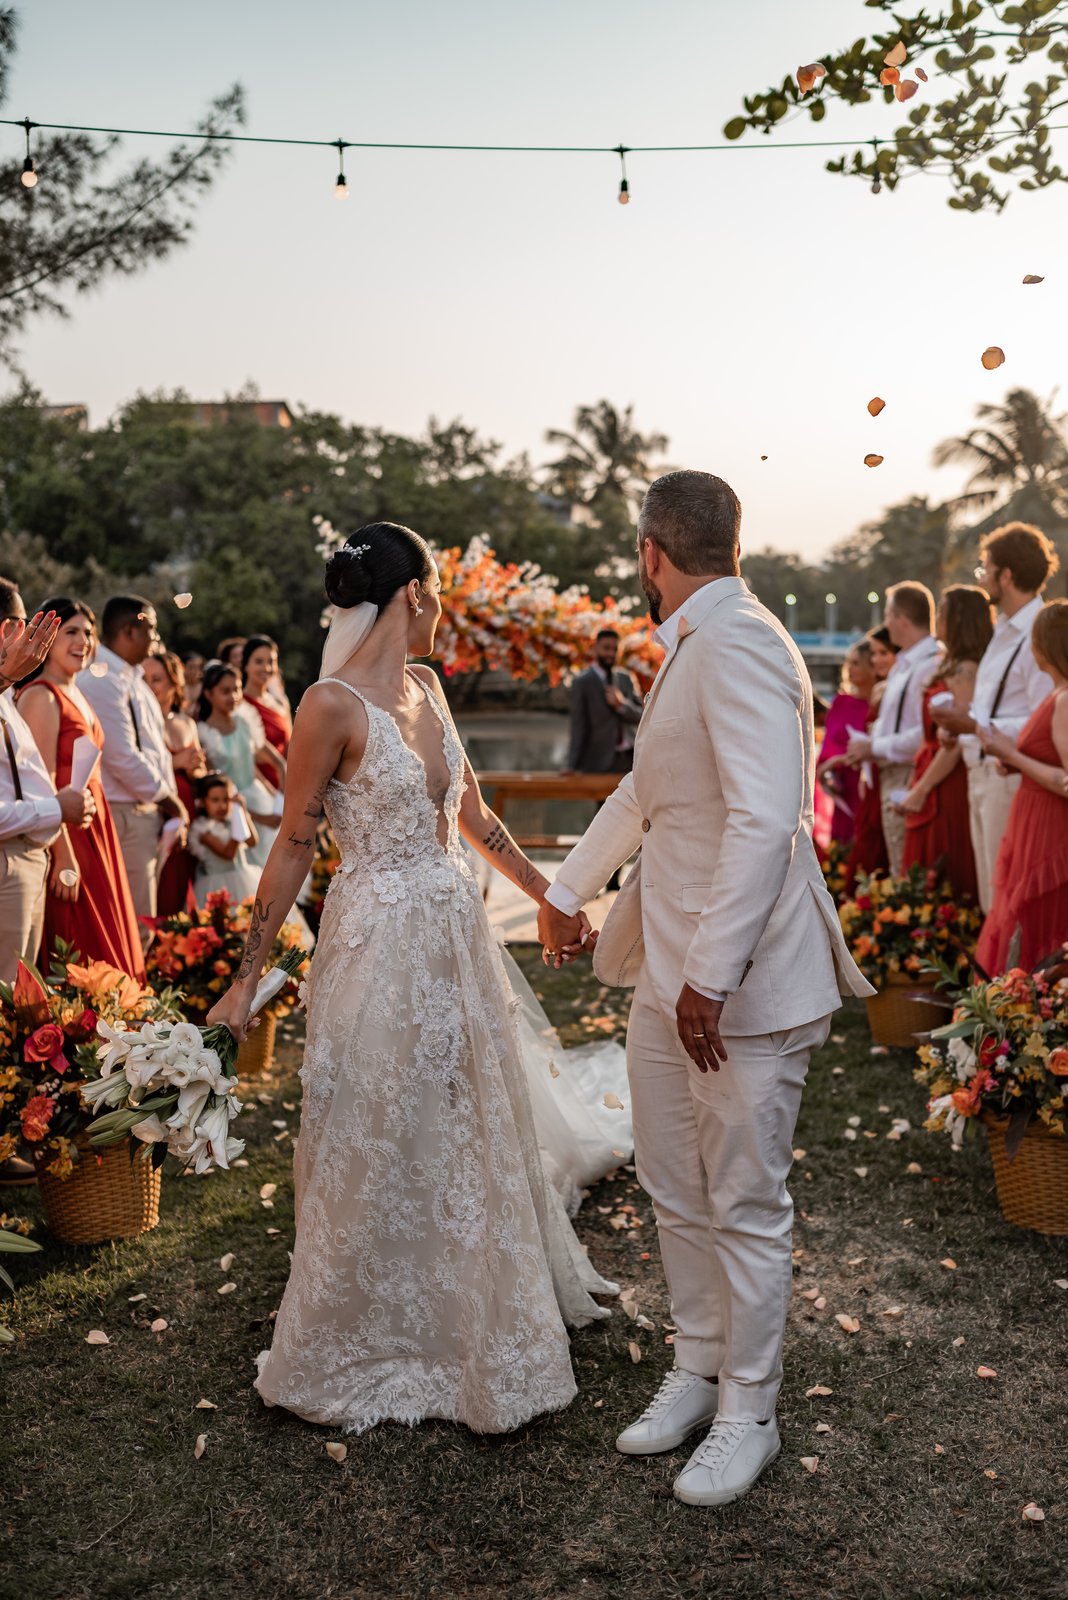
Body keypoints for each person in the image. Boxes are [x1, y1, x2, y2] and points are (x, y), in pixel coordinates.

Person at [206, 521, 617, 1435]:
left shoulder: (429, 688)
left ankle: (468, 1309)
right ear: (415, 594)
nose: (442, 613)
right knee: (375, 1116)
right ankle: (369, 1321)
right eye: (438, 596)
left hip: (455, 938)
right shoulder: (329, 706)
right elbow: (293, 846)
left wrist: (550, 896)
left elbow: (473, 814)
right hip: (375, 944)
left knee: (463, 1114)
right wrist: (245, 979)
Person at [539, 470, 871, 1509]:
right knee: (674, 1184)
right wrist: (564, 889)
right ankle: (697, 1366)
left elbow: (768, 820)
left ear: (651, 552)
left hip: (742, 988)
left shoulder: (740, 642)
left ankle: (750, 1411)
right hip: (668, 974)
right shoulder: (694, 637)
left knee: (744, 1201)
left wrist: (711, 978)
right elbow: (648, 790)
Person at [930, 523, 1058, 912]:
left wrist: (973, 726)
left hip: (1011, 778)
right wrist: (961, 729)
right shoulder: (1003, 628)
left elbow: (1046, 718)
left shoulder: (1039, 631)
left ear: (1006, 575)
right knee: (991, 898)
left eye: (985, 567)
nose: (981, 576)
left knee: (1008, 897)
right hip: (982, 772)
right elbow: (993, 708)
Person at [17, 598, 146, 981]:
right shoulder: (41, 696)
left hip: (96, 828)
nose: (82, 641)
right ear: (47, 639)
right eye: (70, 632)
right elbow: (41, 784)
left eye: (88, 633)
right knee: (80, 944)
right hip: (68, 836)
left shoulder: (78, 693)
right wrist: (64, 856)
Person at [0, 586, 95, 978]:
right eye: (27, 626)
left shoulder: (8, 695)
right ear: (8, 629)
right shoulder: (31, 692)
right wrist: (57, 809)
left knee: (22, 994)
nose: (32, 638)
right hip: (9, 856)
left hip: (29, 853)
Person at [78, 596, 188, 932]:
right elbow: (122, 757)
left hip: (142, 812)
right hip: (123, 812)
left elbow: (154, 751)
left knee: (142, 921)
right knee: (132, 924)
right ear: (129, 630)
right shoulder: (101, 679)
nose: (156, 638)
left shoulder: (132, 680)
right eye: (150, 628)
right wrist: (170, 801)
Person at [976, 599, 1068, 975]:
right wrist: (1015, 762)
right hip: (1031, 819)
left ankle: (1032, 1003)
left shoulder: (1064, 700)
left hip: (1048, 826)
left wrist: (1011, 755)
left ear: (1046, 645)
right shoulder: (1055, 694)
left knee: (1037, 918)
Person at [899, 585, 994, 901]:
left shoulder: (967, 669)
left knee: (942, 862)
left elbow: (960, 738)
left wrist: (921, 789)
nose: (937, 617)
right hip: (928, 765)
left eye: (943, 611)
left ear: (960, 619)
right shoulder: (949, 663)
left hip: (946, 776)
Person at [846, 582, 942, 875]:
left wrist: (872, 747)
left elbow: (926, 735)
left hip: (908, 775)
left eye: (888, 616)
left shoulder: (930, 664)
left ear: (902, 619)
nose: (885, 624)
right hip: (891, 774)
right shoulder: (906, 663)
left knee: (908, 866)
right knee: (897, 865)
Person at [196, 661, 285, 871]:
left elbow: (278, 762)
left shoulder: (245, 720)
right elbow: (213, 786)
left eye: (236, 689)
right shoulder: (203, 733)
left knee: (275, 863)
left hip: (260, 798)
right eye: (225, 691)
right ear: (208, 694)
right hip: (231, 810)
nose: (233, 696)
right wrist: (259, 818)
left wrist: (280, 800)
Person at [142, 652, 206, 916]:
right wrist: (175, 761)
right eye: (144, 679)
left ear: (174, 683)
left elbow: (200, 772)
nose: (149, 686)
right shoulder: (142, 723)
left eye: (156, 679)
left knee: (184, 884)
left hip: (188, 809)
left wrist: (195, 768)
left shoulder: (186, 722)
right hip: (158, 810)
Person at [843, 627, 898, 889]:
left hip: (888, 776)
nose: (877, 660)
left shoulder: (891, 690)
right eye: (874, 654)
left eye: (883, 653)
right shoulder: (883, 690)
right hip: (872, 778)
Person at [815, 641, 876, 845]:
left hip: (865, 785)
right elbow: (827, 745)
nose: (850, 668)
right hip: (840, 786)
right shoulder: (840, 702)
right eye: (849, 662)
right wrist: (828, 770)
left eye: (857, 663)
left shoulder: (877, 705)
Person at [564, 628, 644, 775]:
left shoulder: (626, 678)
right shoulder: (581, 683)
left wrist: (621, 705)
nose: (611, 654)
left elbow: (643, 716)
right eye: (606, 648)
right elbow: (578, 728)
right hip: (598, 764)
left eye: (615, 649)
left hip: (631, 761)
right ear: (595, 649)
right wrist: (571, 765)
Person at [187, 772, 260, 907]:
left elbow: (252, 842)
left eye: (226, 800)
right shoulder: (203, 830)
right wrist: (237, 826)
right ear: (202, 802)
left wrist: (242, 813)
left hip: (244, 879)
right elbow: (228, 853)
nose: (222, 806)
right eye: (215, 800)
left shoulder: (232, 820)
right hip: (217, 887)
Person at [242, 634, 291, 791]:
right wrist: (272, 795)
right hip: (258, 788)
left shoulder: (280, 703)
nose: (267, 668)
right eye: (259, 662)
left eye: (271, 662)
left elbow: (290, 747)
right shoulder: (240, 704)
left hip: (286, 785)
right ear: (245, 664)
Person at [180, 652, 205, 718]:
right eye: (190, 668)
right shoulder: (178, 688)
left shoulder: (205, 688)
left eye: (197, 668)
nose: (194, 671)